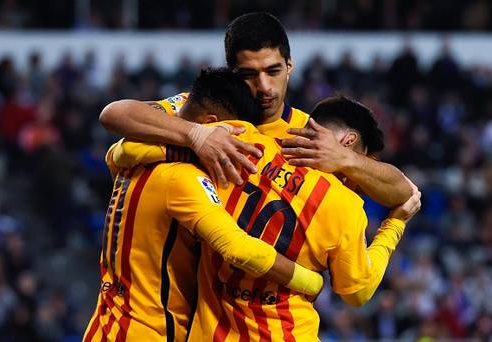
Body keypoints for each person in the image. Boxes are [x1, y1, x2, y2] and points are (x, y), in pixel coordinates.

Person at [110, 88, 421, 340]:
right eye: (363, 163)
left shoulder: (245, 141)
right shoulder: (346, 206)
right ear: (349, 142)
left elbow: (127, 151)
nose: (358, 181)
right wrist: (394, 224)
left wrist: (140, 154)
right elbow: (357, 291)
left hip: (213, 331)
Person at [83, 69, 324, 342]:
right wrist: (311, 281)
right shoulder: (183, 178)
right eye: (234, 135)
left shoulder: (139, 146)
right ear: (210, 123)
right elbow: (238, 248)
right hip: (151, 330)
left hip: (107, 323)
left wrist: (185, 144)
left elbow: (117, 153)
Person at [98, 12, 415, 208]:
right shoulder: (204, 111)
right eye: (249, 74)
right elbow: (114, 114)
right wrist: (196, 135)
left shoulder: (309, 134)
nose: (264, 86)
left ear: (290, 66)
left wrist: (345, 159)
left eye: (273, 71)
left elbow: (402, 190)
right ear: (231, 72)